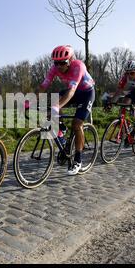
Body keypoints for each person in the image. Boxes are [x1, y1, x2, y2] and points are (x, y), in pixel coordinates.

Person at [37, 45, 96, 175]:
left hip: (86, 93)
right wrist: (29, 100)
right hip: (73, 91)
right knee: (54, 98)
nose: (59, 66)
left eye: (62, 63)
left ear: (70, 60)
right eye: (56, 63)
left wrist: (57, 107)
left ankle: (78, 160)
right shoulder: (54, 69)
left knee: (76, 124)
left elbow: (71, 91)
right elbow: (44, 85)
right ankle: (61, 129)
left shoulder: (78, 66)